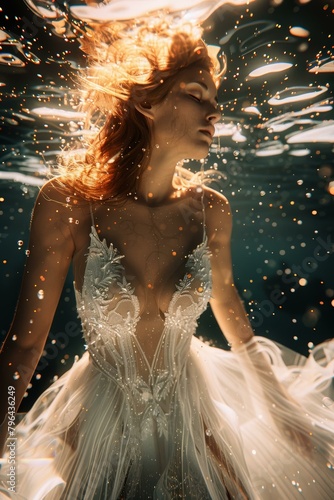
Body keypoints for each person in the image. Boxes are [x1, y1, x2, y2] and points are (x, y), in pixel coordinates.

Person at [0, 21, 333, 500]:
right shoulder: (68, 204)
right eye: (198, 93)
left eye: (214, 97)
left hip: (196, 416)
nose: (215, 109)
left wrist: (283, 410)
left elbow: (231, 311)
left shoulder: (211, 210)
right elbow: (24, 349)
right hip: (100, 425)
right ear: (146, 100)